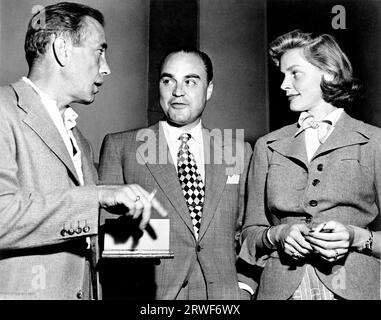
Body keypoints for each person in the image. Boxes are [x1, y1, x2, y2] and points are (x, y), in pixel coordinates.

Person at [0, 2, 166, 300]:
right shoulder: (3, 112)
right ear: (62, 49)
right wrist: (97, 196)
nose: (107, 67)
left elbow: (73, 231)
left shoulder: (79, 138)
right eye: (99, 51)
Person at [98, 48, 254, 299]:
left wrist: (244, 289)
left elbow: (250, 229)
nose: (178, 91)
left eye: (190, 81)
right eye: (168, 80)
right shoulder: (123, 147)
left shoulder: (237, 150)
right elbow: (109, 241)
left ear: (209, 90)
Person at [239, 29, 381, 300]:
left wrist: (356, 236)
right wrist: (279, 234)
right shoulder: (268, 145)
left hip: (355, 288)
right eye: (282, 75)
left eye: (294, 73)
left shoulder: (374, 141)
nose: (283, 84)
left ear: (328, 73)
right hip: (281, 290)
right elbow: (248, 236)